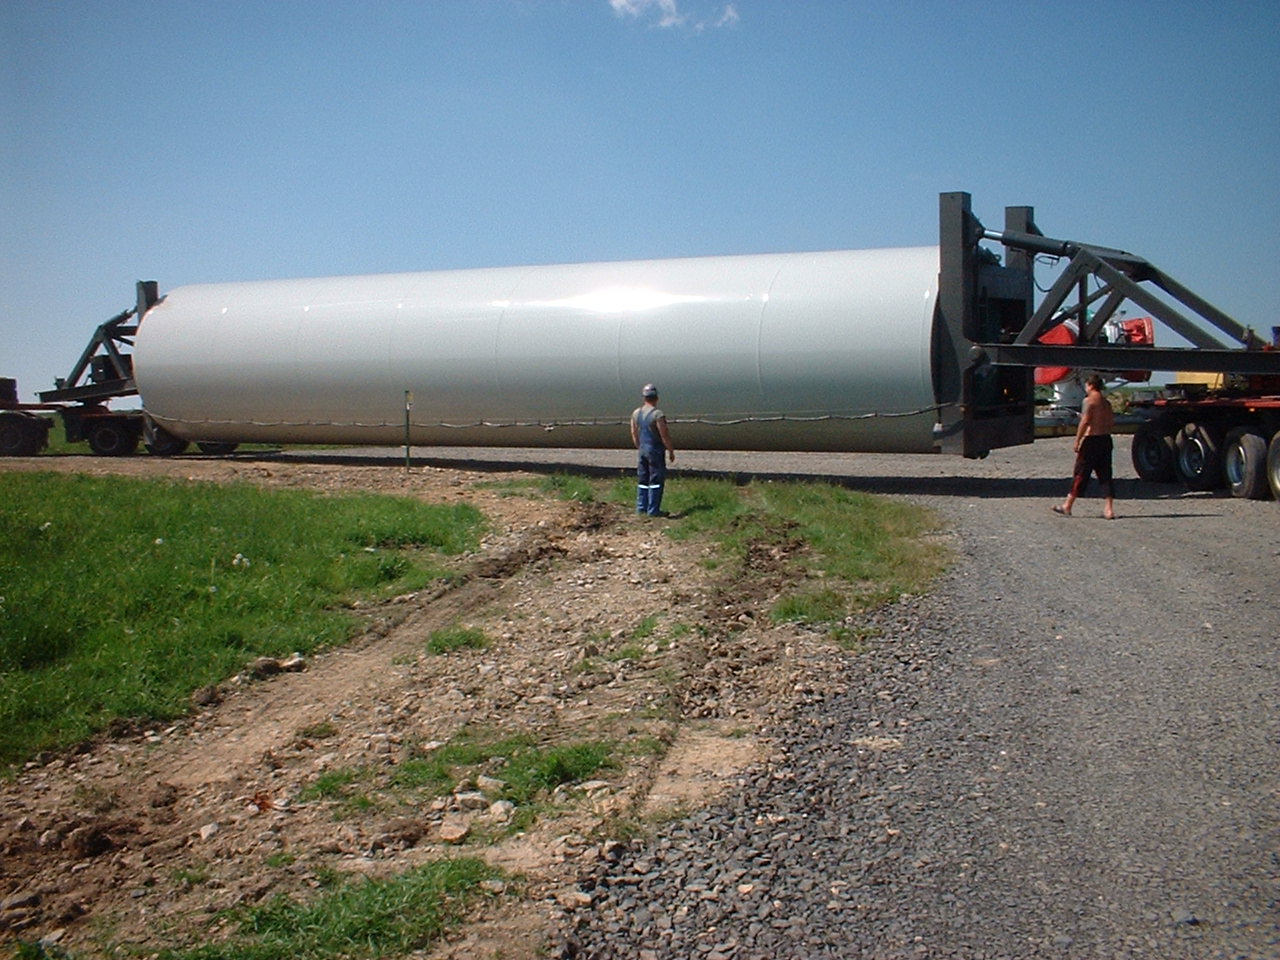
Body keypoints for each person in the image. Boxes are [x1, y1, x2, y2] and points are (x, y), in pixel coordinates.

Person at [1054, 373, 1116, 519]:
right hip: (1106, 439)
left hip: (1091, 440)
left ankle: (1067, 505)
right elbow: (1111, 422)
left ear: (1090, 385)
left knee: (1080, 473)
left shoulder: (1089, 401)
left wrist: (1077, 440)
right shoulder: (1106, 403)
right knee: (1105, 474)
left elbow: (1086, 421)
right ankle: (1109, 509)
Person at [630, 383, 676, 516]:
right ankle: (653, 510)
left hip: (643, 448)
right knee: (656, 479)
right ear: (656, 398)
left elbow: (634, 432)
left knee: (643, 479)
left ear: (644, 398)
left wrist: (639, 446)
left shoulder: (636, 413)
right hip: (655, 449)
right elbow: (664, 434)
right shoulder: (657, 414)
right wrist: (671, 450)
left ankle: (641, 508)